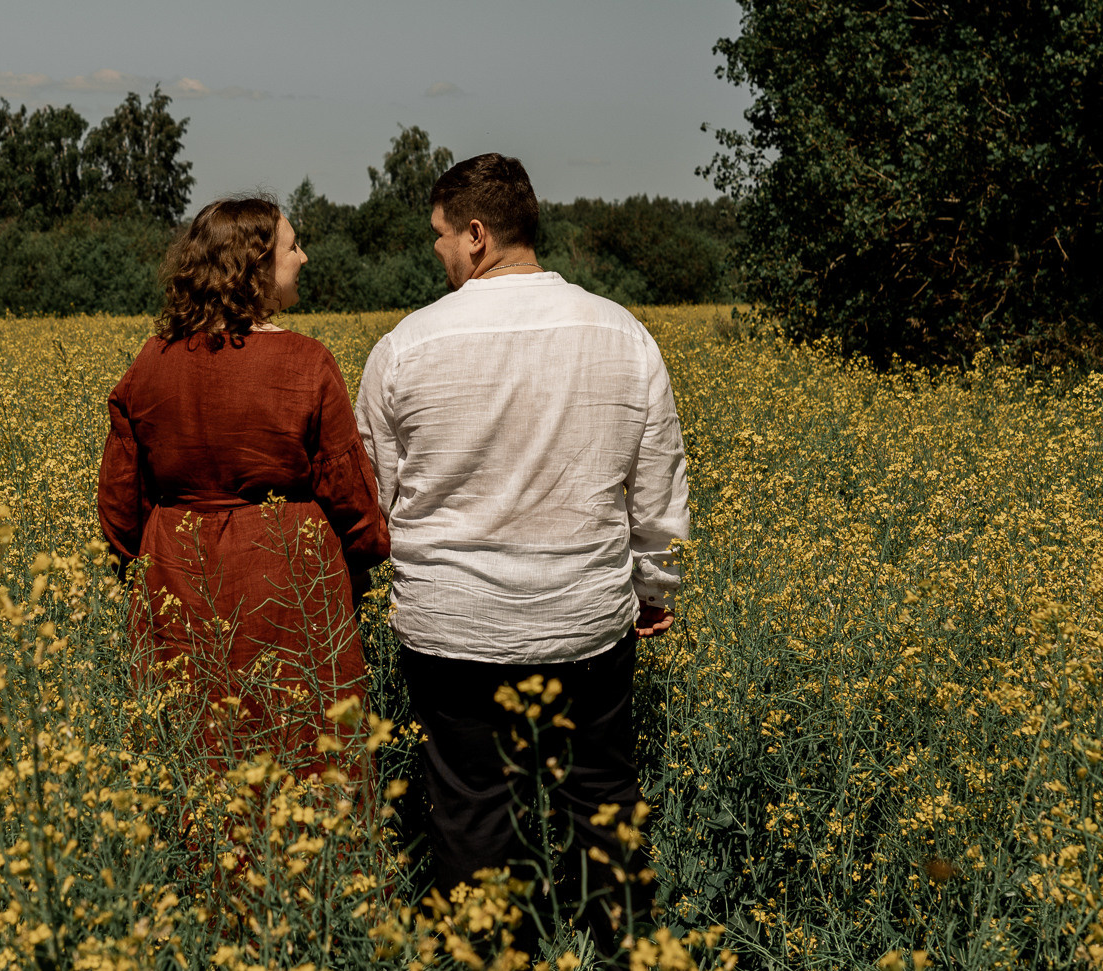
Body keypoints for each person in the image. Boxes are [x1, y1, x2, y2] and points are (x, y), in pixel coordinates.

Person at [354, 153, 690, 961]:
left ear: (477, 234)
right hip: (586, 622)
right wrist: (652, 586)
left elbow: (382, 496)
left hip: (453, 632)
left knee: (470, 816)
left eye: (439, 235)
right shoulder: (622, 333)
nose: (435, 252)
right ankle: (622, 952)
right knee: (600, 801)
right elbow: (656, 486)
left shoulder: (404, 347)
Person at [97, 196, 390, 775]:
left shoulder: (150, 362)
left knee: (196, 751)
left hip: (177, 577)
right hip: (287, 579)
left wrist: (140, 559)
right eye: (291, 246)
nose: (303, 258)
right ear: (254, 266)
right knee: (305, 751)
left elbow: (118, 507)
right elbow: (352, 495)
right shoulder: (306, 362)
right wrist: (363, 561)